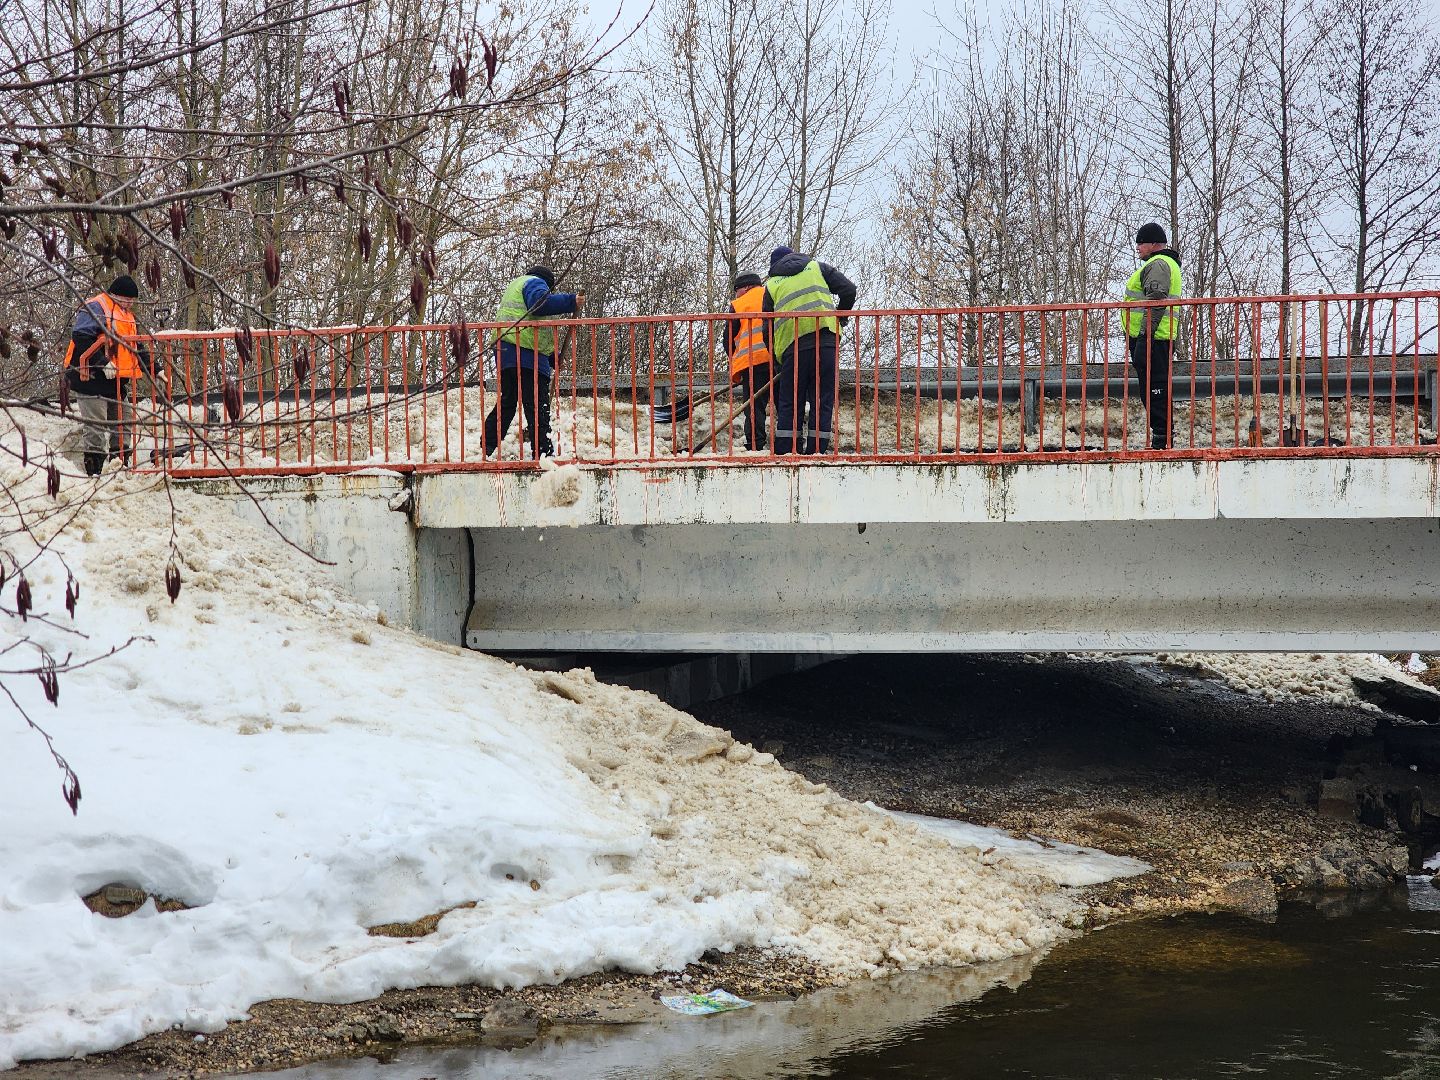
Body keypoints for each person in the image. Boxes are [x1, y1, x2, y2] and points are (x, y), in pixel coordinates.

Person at [761, 246, 857, 455]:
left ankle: (787, 451)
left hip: (793, 347)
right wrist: (842, 316)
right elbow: (849, 290)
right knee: (822, 399)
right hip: (826, 341)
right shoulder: (816, 267)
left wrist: (777, 361)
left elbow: (767, 329)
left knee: (790, 401)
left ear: (774, 266)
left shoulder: (771, 285)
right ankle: (816, 451)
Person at [484, 265, 580, 458]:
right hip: (528, 357)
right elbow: (539, 304)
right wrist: (571, 301)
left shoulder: (516, 285)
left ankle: (486, 447)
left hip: (506, 354)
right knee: (536, 405)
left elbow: (535, 329)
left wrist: (553, 359)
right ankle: (543, 453)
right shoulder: (536, 283)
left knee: (508, 402)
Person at [61, 275, 152, 476]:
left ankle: (119, 467)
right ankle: (94, 474)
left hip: (116, 382)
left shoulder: (126, 315)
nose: (130, 304)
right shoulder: (97, 307)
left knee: (123, 423)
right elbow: (81, 336)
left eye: (132, 301)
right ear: (114, 294)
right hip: (91, 379)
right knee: (96, 427)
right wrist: (103, 363)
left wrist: (155, 369)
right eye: (127, 299)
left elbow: (136, 346)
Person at [1121, 223, 1183, 450]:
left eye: (1141, 242)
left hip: (1153, 337)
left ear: (1155, 244)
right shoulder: (1164, 264)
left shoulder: (1159, 264)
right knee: (1153, 386)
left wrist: (1145, 337)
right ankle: (1162, 435)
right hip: (1156, 336)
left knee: (1154, 387)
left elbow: (1155, 302)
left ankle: (1161, 438)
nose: (1138, 247)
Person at [724, 272, 773, 451]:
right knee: (785, 403)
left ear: (744, 288)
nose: (735, 295)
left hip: (753, 362)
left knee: (754, 407)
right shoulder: (774, 294)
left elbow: (727, 340)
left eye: (736, 290)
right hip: (780, 359)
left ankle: (755, 445)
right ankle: (789, 444)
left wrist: (738, 361)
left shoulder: (738, 304)